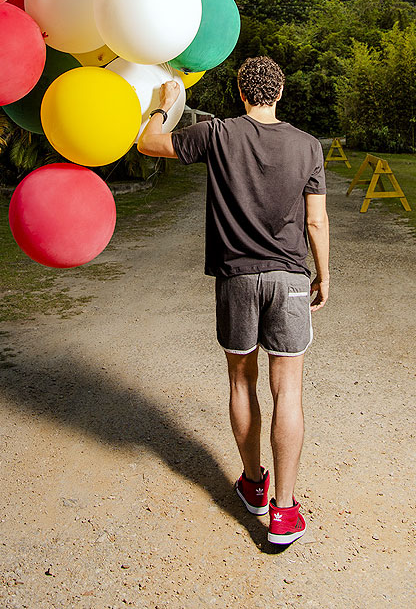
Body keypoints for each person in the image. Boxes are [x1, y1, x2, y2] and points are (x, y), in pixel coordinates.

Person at [138, 56, 330, 546]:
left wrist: (164, 106)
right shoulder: (309, 146)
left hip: (237, 281)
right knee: (288, 390)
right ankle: (284, 512)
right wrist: (323, 275)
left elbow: (147, 143)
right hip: (289, 279)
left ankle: (252, 483)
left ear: (242, 94)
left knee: (241, 382)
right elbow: (315, 223)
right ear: (280, 94)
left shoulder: (218, 133)